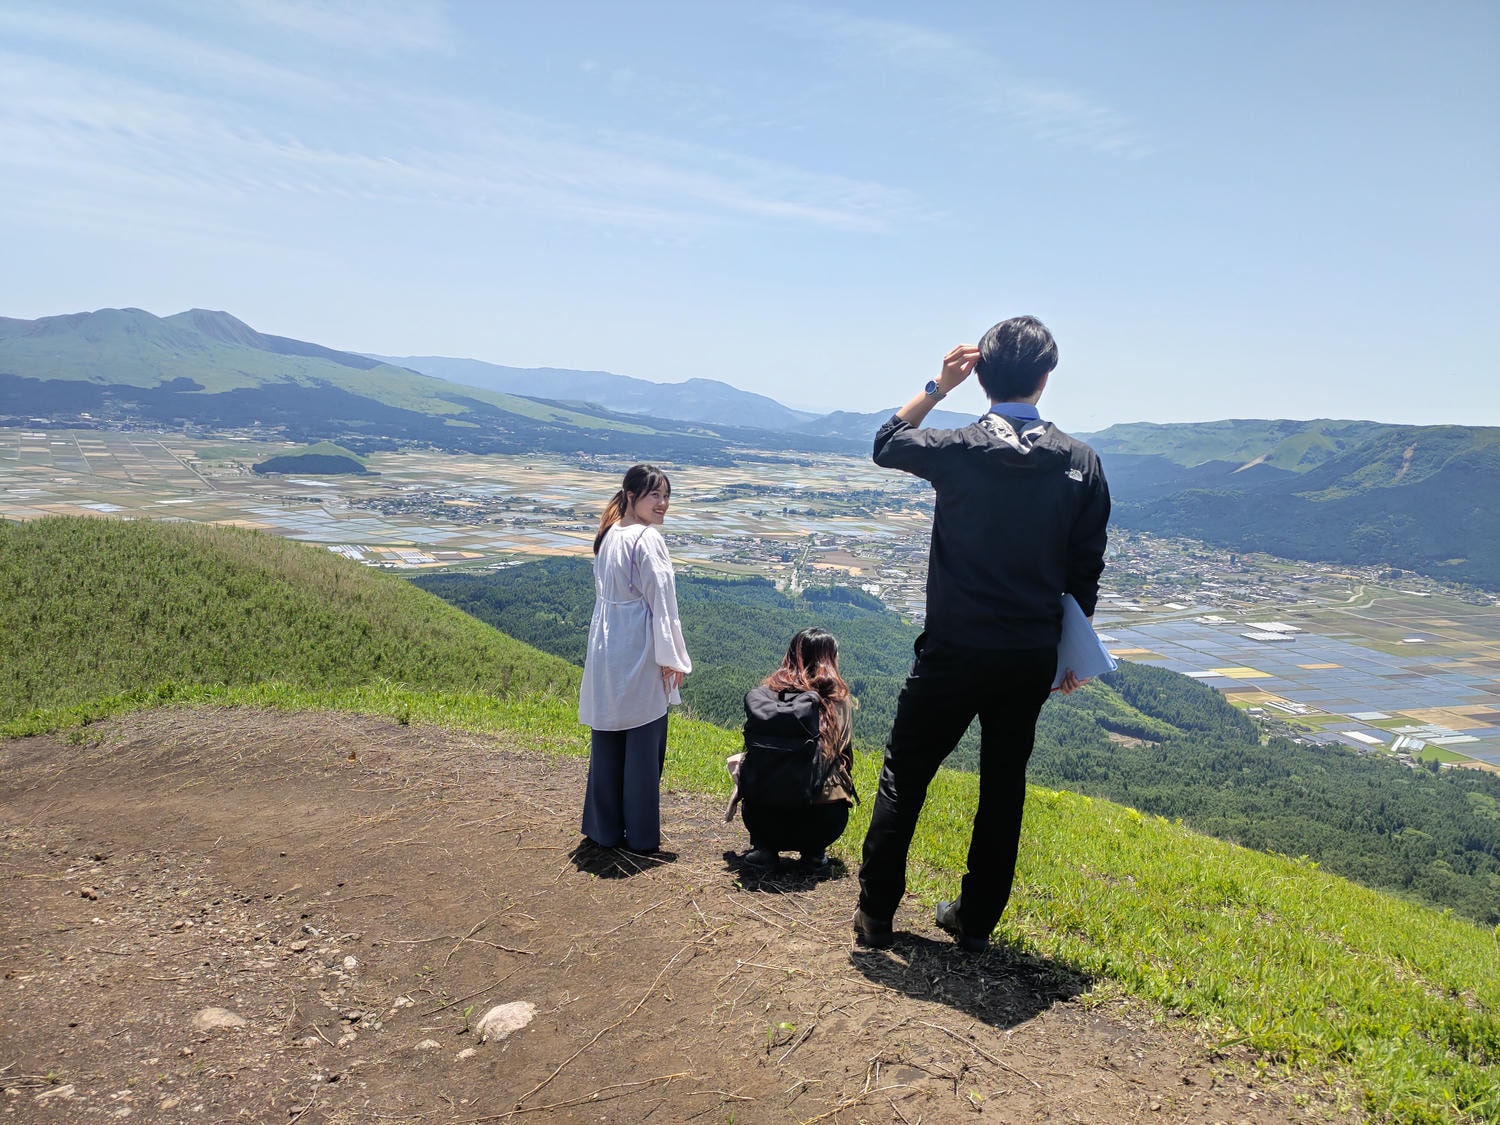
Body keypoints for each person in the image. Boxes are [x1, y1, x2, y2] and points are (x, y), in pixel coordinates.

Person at [852, 315, 1110, 952]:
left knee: (904, 775)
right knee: (1003, 784)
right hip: (1027, 654)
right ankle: (974, 923)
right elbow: (1085, 569)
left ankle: (877, 914)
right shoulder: (1080, 462)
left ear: (982, 377)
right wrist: (1070, 650)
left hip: (953, 648)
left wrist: (940, 384)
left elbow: (887, 441)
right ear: (1046, 378)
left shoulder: (959, 449)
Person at [578, 463, 692, 854]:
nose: (662, 504)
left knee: (608, 736)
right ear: (631, 497)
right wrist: (671, 656)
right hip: (638, 646)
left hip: (607, 645)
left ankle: (603, 828)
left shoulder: (610, 534)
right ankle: (641, 836)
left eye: (666, 496)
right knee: (644, 744)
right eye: (654, 495)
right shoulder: (646, 538)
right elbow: (663, 601)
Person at [735, 628, 857, 872]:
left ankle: (765, 850)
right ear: (829, 661)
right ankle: (814, 855)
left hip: (763, 817)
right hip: (822, 821)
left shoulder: (766, 698)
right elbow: (845, 759)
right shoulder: (837, 701)